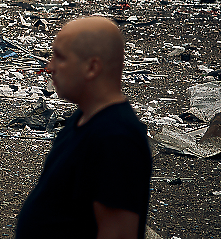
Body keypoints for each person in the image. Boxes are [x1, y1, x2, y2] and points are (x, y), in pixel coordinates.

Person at [15, 17, 152, 239]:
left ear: (91, 67)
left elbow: (117, 232)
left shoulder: (116, 138)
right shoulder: (83, 118)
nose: (49, 67)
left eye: (59, 57)